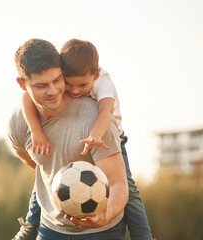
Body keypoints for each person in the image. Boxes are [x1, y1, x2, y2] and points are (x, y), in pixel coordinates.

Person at [15, 39, 154, 240]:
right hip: (53, 227)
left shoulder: (103, 82)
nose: (74, 91)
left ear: (95, 75)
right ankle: (30, 226)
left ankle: (143, 235)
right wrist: (36, 131)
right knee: (46, 180)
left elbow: (106, 111)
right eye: (68, 84)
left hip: (108, 134)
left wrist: (95, 135)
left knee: (129, 189)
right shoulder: (67, 76)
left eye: (82, 86)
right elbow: (25, 98)